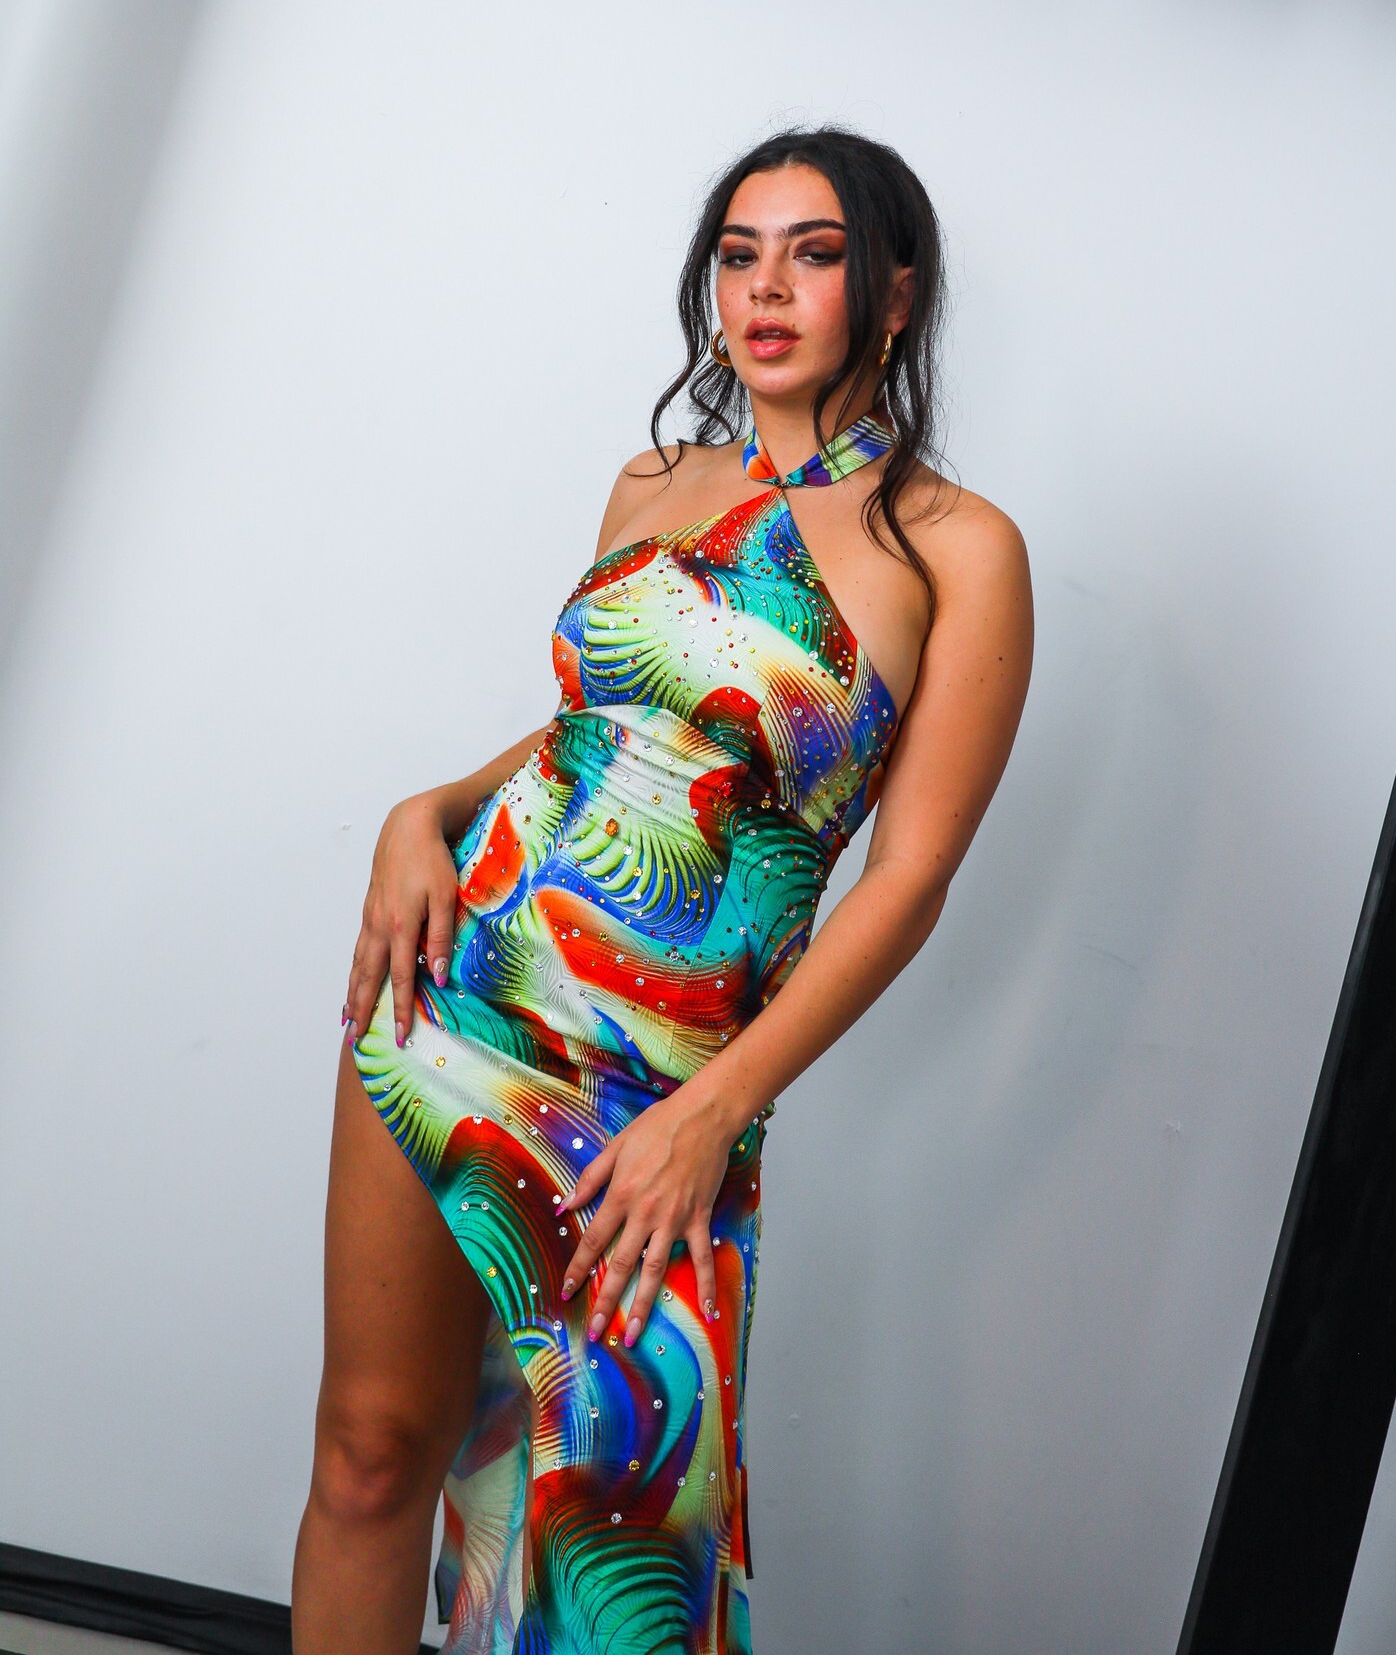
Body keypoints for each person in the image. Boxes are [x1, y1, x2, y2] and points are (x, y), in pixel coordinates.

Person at [291, 126, 1033, 1655]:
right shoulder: (655, 479)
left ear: (895, 296)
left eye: (814, 255)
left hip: (667, 1090)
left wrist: (715, 1115)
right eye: (739, 255)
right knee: (368, 1452)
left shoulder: (957, 551)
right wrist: (425, 813)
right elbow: (603, 732)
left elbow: (909, 882)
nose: (766, 289)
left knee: (617, 1555)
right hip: (463, 991)